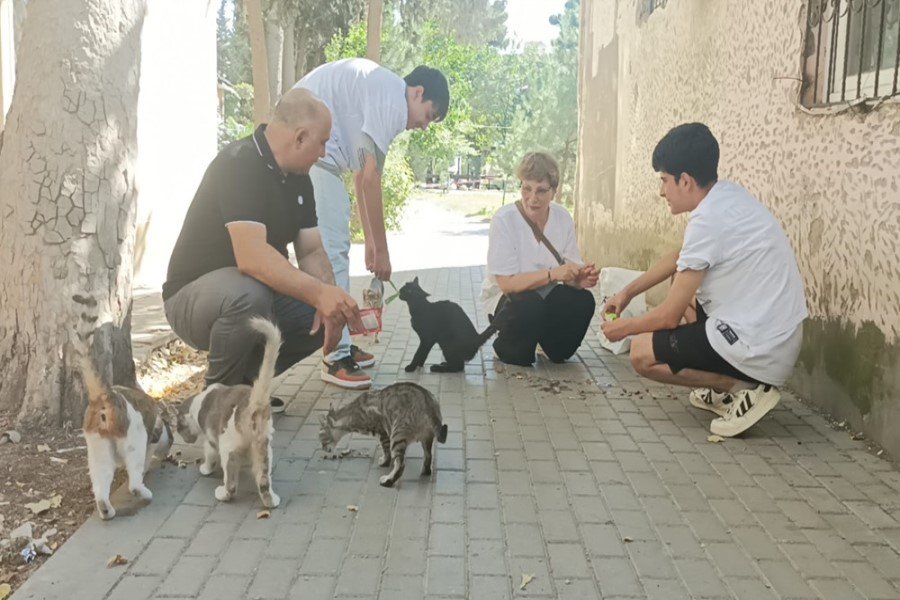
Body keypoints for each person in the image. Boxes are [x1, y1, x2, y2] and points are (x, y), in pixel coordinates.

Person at [601, 123, 808, 437]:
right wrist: (627, 292)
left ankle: (742, 386)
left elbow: (669, 316)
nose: (661, 191)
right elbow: (679, 259)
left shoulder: (708, 220)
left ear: (685, 181)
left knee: (642, 352)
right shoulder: (726, 197)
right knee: (681, 284)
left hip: (761, 346)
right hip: (773, 334)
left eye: (664, 180)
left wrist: (621, 328)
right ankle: (730, 382)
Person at [163, 89, 363, 413]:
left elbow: (311, 250)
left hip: (246, 293)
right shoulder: (239, 163)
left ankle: (247, 391)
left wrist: (331, 298)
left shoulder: (300, 180)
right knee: (249, 292)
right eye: (322, 142)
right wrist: (318, 293)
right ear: (300, 137)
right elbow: (252, 257)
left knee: (322, 314)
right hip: (191, 300)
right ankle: (215, 407)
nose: (324, 153)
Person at [293, 58, 450, 389]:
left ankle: (343, 342)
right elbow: (370, 178)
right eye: (429, 115)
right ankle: (335, 356)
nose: (424, 126)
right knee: (333, 251)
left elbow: (362, 173)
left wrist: (372, 244)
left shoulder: (385, 93)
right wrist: (383, 254)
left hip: (318, 153)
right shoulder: (391, 98)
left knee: (338, 247)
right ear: (418, 93)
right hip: (308, 150)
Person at [480, 152, 599, 366]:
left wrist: (579, 280)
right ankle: (505, 347)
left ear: (554, 191)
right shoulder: (504, 220)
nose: (532, 199)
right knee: (529, 306)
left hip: (545, 298)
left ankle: (549, 346)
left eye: (541, 191)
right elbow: (507, 285)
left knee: (582, 301)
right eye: (527, 188)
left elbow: (570, 270)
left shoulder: (562, 218)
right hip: (509, 301)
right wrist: (553, 274)